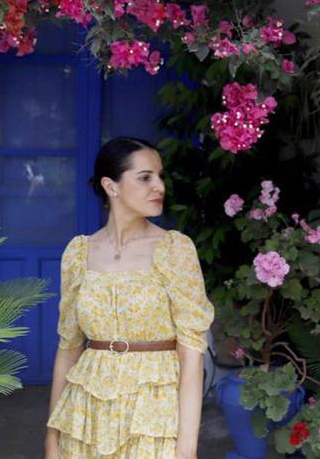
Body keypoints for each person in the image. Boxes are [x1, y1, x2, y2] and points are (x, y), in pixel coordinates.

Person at [45, 137, 214, 459]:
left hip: (153, 417)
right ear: (112, 186)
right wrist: (52, 438)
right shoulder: (79, 253)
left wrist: (187, 449)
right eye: (145, 177)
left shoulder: (175, 249)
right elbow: (68, 347)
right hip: (87, 414)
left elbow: (191, 353)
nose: (159, 186)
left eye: (160, 176)